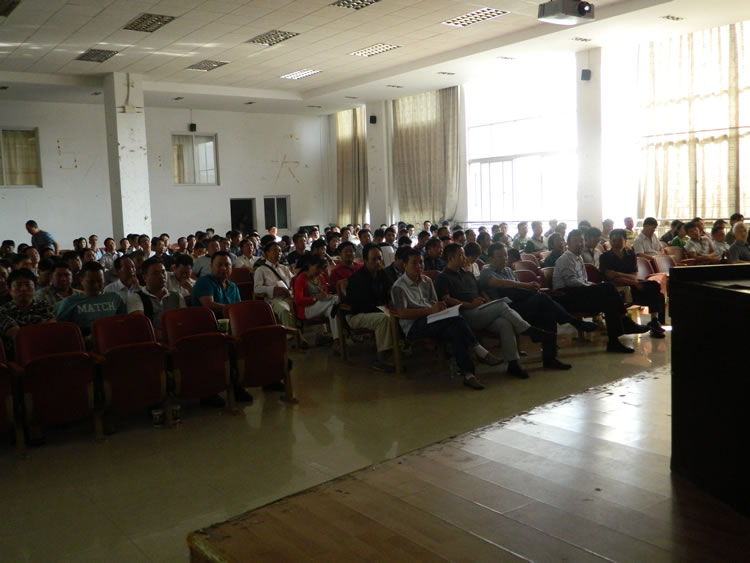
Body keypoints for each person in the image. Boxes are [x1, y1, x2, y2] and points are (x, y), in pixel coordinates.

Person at [435, 244, 555, 378]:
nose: (464, 258)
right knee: (501, 305)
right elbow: (447, 300)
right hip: (465, 314)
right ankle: (529, 330)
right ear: (450, 258)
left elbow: (481, 291)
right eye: (460, 255)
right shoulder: (442, 277)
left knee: (505, 324)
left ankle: (513, 364)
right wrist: (470, 304)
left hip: (481, 309)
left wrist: (487, 301)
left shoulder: (467, 274)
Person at [479, 243, 597, 368]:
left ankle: (550, 359)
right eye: (499, 256)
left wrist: (529, 289)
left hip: (520, 304)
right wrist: (526, 285)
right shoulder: (486, 272)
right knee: (542, 298)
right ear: (490, 258)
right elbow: (499, 283)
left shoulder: (508, 270)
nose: (504, 259)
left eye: (505, 255)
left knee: (548, 314)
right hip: (506, 310)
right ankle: (574, 322)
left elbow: (517, 291)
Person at [391, 249, 488, 390]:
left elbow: (435, 303)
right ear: (405, 265)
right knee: (456, 320)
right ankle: (477, 348)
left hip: (434, 320)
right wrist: (430, 311)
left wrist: (440, 307)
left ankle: (469, 375)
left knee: (456, 330)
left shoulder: (427, 281)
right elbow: (403, 314)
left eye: (421, 262)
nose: (419, 266)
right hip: (414, 326)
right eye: (414, 263)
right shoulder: (398, 286)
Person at [552, 229, 648, 353]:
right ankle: (625, 321)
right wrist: (590, 286)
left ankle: (614, 341)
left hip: (578, 292)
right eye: (576, 241)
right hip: (566, 295)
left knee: (609, 301)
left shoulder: (578, 258)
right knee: (608, 288)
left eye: (581, 241)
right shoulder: (566, 258)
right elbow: (571, 281)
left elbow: (583, 280)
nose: (580, 244)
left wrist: (591, 285)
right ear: (568, 243)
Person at [598, 229, 666, 337]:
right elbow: (611, 278)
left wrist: (618, 274)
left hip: (631, 284)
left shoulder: (630, 254)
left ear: (625, 241)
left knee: (654, 286)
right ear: (610, 241)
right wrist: (633, 282)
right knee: (651, 291)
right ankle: (652, 323)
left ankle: (654, 321)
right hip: (616, 287)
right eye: (613, 240)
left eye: (619, 239)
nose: (616, 242)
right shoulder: (605, 257)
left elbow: (633, 275)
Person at [56, 261, 126, 338]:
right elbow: (61, 330)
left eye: (99, 281)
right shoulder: (69, 302)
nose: (96, 285)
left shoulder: (114, 298)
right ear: (81, 279)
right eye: (91, 282)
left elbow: (123, 322)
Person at [0, 268, 55, 359]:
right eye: (18, 285)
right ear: (9, 290)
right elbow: (19, 337)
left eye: (28, 285)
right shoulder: (2, 311)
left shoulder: (44, 306)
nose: (23, 289)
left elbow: (50, 331)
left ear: (35, 289)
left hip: (45, 355)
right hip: (16, 359)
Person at [253, 241, 301, 344]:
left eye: (280, 251)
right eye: (275, 250)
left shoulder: (284, 268)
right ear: (266, 253)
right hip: (274, 299)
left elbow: (293, 282)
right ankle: (292, 338)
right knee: (284, 310)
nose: (278, 253)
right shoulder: (261, 270)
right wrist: (273, 289)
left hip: (289, 296)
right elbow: (257, 289)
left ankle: (317, 334)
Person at [126, 258, 185, 340]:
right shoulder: (136, 296)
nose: (161, 276)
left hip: (176, 338)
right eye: (156, 273)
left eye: (163, 272)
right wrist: (168, 337)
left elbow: (184, 320)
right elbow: (141, 325)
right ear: (145, 277)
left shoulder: (177, 296)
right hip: (150, 341)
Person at [293, 255, 339, 346]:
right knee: (335, 300)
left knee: (333, 311)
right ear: (310, 265)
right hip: (307, 309)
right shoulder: (301, 279)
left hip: (322, 306)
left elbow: (325, 293)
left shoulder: (320, 278)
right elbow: (298, 300)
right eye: (318, 268)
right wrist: (315, 298)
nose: (320, 271)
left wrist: (323, 296)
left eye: (322, 269)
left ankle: (337, 341)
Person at [192, 251, 240, 318]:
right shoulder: (204, 281)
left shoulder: (233, 286)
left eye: (227, 265)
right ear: (211, 266)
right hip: (207, 322)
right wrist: (232, 309)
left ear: (232, 267)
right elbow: (209, 305)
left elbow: (238, 307)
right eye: (219, 265)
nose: (223, 268)